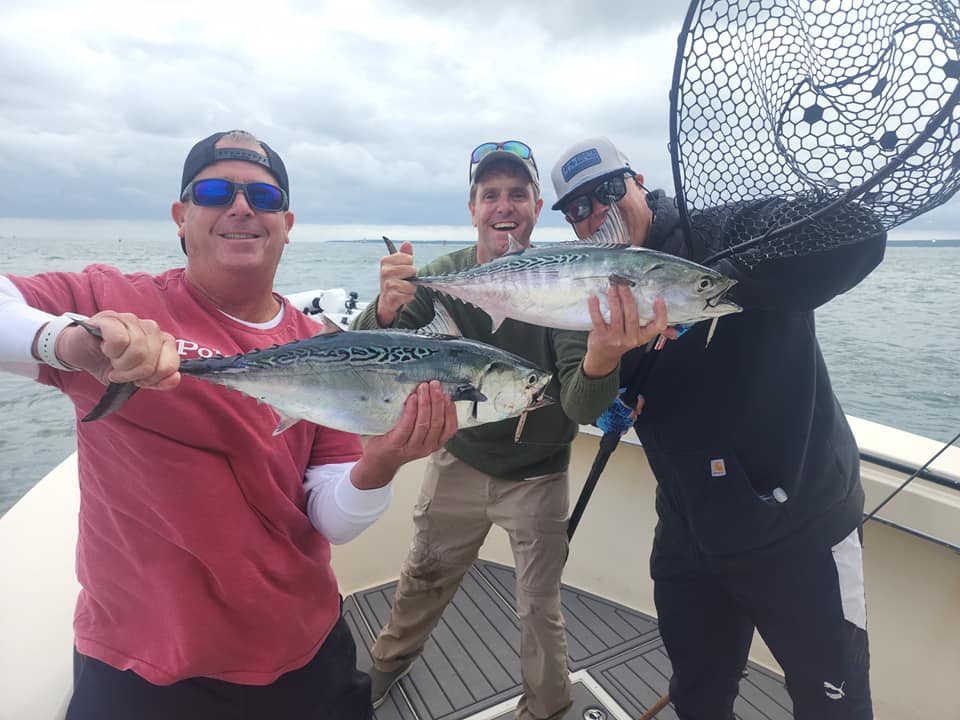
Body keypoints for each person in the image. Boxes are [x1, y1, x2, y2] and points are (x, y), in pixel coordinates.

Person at [0, 129, 459, 720]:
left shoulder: (326, 348)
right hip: (140, 660)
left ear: (286, 224)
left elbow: (330, 519)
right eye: (216, 191)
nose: (241, 207)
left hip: (299, 645)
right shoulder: (108, 300)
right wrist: (66, 341)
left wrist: (382, 463)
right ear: (181, 216)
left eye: (264, 199)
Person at [550, 136, 882, 719]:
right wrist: (606, 372)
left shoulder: (728, 228)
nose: (597, 212)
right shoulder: (587, 296)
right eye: (578, 208)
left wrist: (709, 282)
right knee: (699, 699)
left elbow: (855, 230)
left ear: (639, 181)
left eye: (607, 190)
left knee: (835, 706)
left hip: (801, 528)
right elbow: (588, 398)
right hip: (690, 534)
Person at [353, 140, 672, 719]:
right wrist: (387, 309)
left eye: (518, 194)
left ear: (536, 205)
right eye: (491, 194)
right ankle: (383, 669)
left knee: (538, 606)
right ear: (473, 207)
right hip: (460, 460)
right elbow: (369, 348)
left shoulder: (566, 282)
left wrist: (602, 357)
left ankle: (548, 706)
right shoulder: (445, 276)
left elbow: (579, 403)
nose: (505, 205)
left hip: (538, 474)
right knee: (423, 576)